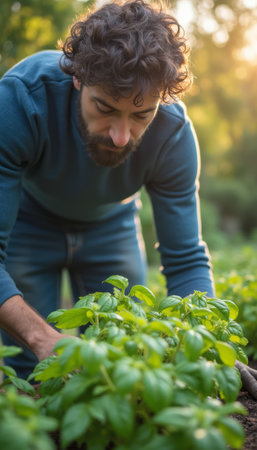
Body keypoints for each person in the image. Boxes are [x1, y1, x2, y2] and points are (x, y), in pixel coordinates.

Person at [0, 0, 215, 379]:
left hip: (112, 225)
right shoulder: (21, 99)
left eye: (141, 115)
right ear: (77, 76)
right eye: (104, 107)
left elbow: (185, 260)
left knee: (121, 353)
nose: (121, 137)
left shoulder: (173, 134)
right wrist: (39, 337)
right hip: (29, 221)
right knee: (26, 364)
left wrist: (208, 348)